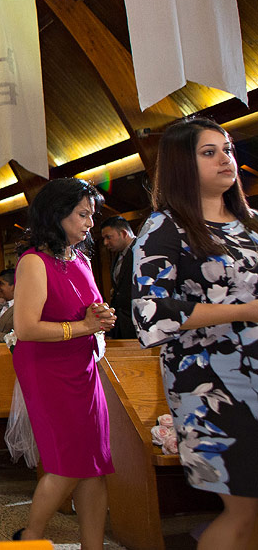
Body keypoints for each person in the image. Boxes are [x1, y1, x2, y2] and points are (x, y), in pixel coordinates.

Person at [133, 117, 258, 550]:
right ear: (183, 165)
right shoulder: (166, 228)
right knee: (243, 508)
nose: (226, 158)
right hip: (211, 380)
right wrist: (246, 311)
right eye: (210, 152)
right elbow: (151, 309)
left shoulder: (252, 225)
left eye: (228, 149)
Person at [11, 177, 115, 548]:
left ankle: (93, 545)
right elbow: (25, 327)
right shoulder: (34, 262)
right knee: (67, 463)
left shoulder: (81, 259)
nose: (90, 223)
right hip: (47, 369)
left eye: (92, 215)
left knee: (95, 465)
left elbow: (87, 308)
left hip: (83, 368)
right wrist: (83, 325)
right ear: (57, 216)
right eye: (82, 215)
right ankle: (31, 539)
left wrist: (99, 316)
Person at [100, 215, 137, 339]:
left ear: (123, 233)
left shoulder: (141, 251)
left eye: (108, 237)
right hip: (123, 325)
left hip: (137, 322)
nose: (105, 242)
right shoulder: (118, 256)